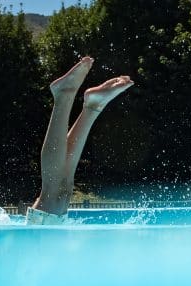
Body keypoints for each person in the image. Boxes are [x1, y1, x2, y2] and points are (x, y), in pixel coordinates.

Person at [27, 57, 134, 225]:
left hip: (40, 238)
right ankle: (91, 107)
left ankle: (65, 98)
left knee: (54, 195)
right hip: (47, 236)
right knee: (62, 190)